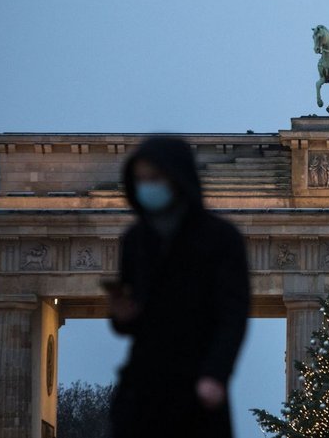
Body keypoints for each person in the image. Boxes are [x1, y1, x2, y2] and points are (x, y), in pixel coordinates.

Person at [106, 136, 250, 438]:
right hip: (143, 386)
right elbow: (134, 324)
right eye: (140, 179)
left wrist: (216, 374)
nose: (147, 186)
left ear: (176, 177)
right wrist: (123, 316)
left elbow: (233, 316)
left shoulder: (221, 239)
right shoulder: (135, 240)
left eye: (154, 178)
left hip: (197, 386)